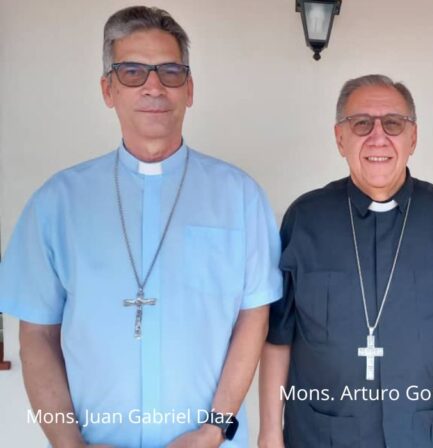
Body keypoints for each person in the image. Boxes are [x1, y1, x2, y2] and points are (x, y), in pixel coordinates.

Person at [0, 6, 281, 447]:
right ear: (107, 89)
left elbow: (254, 316)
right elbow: (36, 333)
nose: (153, 86)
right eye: (132, 71)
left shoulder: (240, 196)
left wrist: (214, 431)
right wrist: (69, 444)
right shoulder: (57, 203)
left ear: (189, 89)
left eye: (170, 71)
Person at [258, 75, 433, 447]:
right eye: (361, 124)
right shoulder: (306, 218)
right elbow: (278, 336)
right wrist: (270, 432)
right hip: (324, 433)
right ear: (340, 138)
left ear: (413, 138)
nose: (377, 137)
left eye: (393, 123)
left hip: (425, 433)